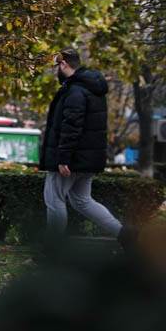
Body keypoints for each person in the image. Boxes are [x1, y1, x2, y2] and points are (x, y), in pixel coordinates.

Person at [40, 48, 135, 248]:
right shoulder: (91, 89)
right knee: (82, 200)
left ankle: (51, 250)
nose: (57, 70)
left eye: (57, 65)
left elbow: (71, 126)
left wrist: (63, 158)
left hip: (71, 159)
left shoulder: (74, 91)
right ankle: (125, 234)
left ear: (64, 64)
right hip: (86, 159)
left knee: (54, 199)